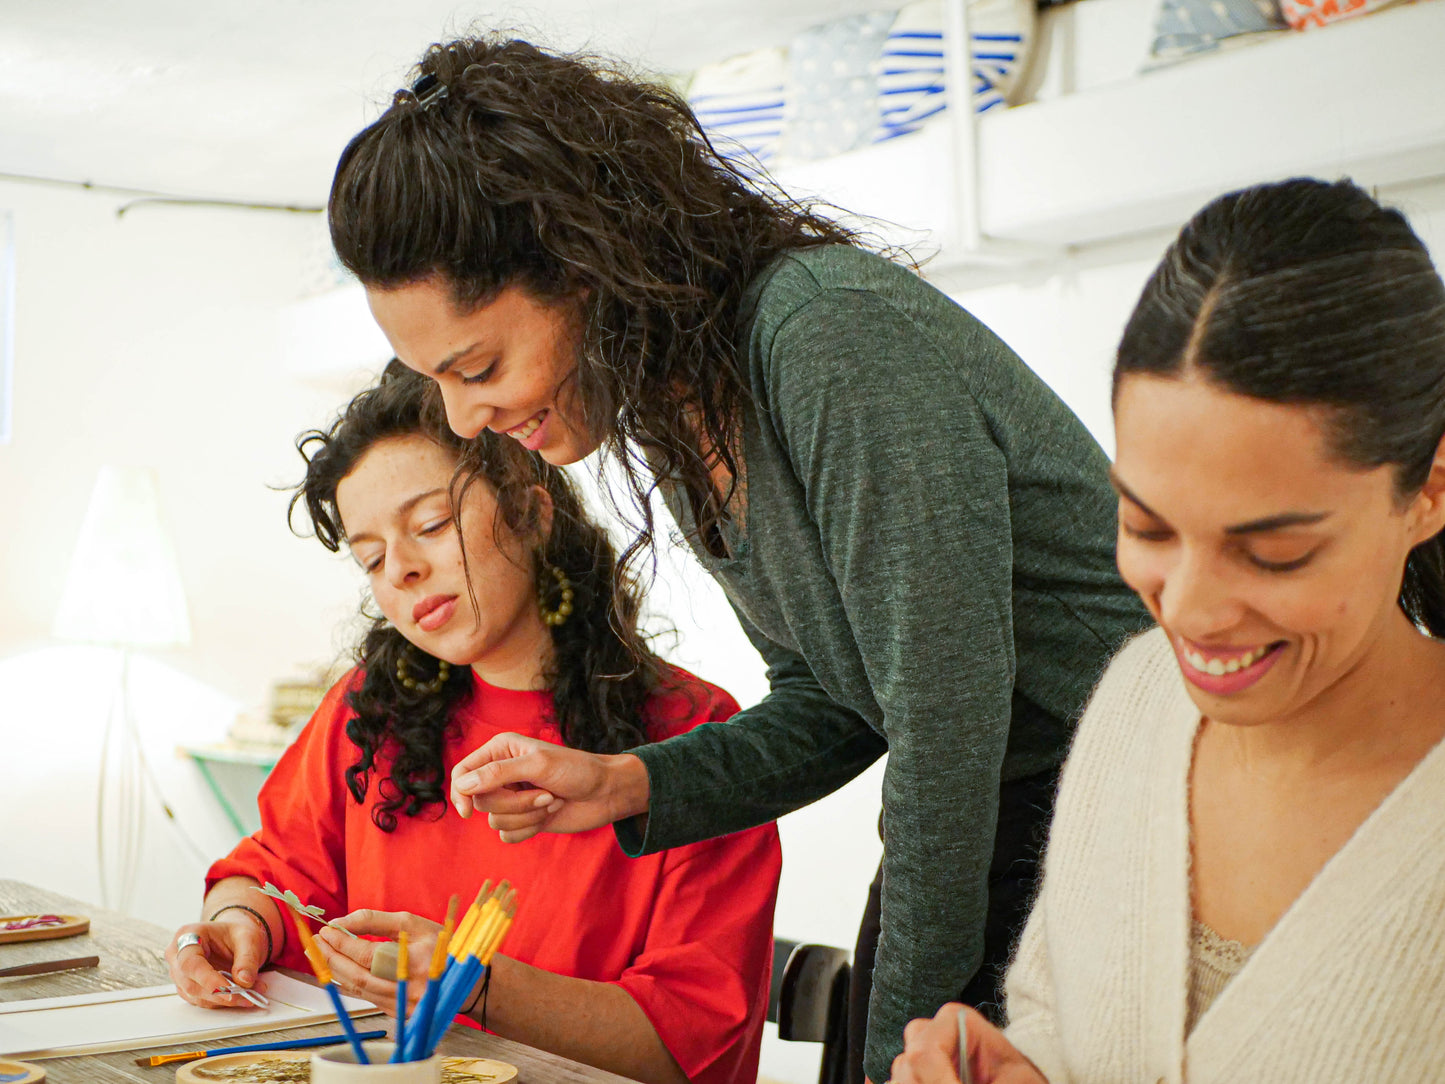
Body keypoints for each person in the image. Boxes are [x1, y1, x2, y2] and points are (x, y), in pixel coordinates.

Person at [326, 37, 1149, 1082]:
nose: (463, 415)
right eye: (433, 380)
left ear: (586, 267)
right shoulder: (672, 404)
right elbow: (835, 700)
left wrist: (898, 1046)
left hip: (1111, 819)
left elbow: (944, 737)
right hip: (994, 828)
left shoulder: (824, 337)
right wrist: (623, 782)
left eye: (478, 365)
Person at [888, 177, 1445, 1084]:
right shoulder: (1138, 693)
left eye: (1272, 552)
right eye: (1147, 528)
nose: (1186, 610)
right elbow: (1054, 1016)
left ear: (1428, 489)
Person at [163, 366, 781, 1084]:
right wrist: (238, 924)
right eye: (371, 558)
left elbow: (682, 1047)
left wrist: (470, 982)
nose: (401, 570)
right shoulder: (370, 709)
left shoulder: (694, 734)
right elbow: (273, 873)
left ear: (530, 510)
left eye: (429, 525)